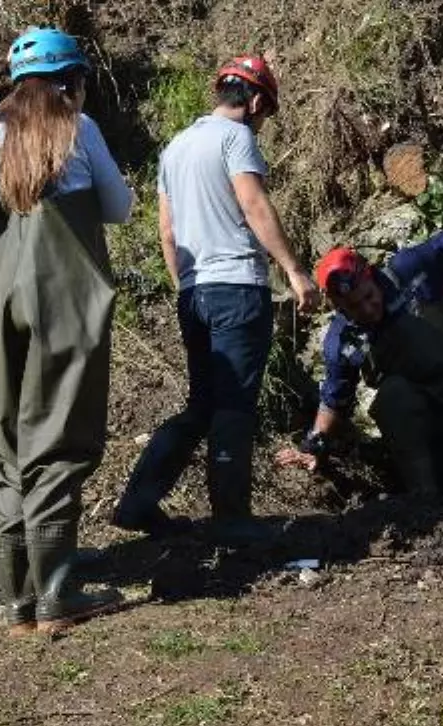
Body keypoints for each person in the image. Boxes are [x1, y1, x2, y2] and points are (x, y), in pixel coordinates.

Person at [0, 27, 133, 634]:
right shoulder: (78, 129)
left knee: (11, 440)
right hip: (64, 289)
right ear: (73, 81)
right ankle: (58, 593)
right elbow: (118, 208)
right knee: (59, 435)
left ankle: (19, 598)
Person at [113, 55, 321, 540]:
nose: (262, 122)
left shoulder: (175, 148)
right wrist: (294, 270)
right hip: (237, 288)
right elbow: (253, 203)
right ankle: (232, 519)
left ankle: (138, 502)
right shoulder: (236, 138)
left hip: (194, 291)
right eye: (265, 113)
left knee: (202, 405)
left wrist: (184, 282)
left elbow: (166, 230)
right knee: (233, 405)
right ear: (253, 102)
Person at [275, 228, 443, 495]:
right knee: (393, 398)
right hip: (417, 410)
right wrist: (315, 444)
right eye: (354, 307)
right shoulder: (343, 340)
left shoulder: (408, 270)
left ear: (370, 276)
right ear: (338, 307)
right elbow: (335, 399)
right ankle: (427, 501)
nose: (368, 309)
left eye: (369, 296)